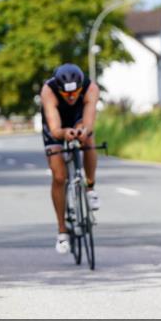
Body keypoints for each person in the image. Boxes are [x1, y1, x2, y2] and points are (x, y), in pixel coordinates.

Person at [40, 63, 101, 254]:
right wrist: (64, 133)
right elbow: (56, 129)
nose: (72, 97)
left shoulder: (91, 88)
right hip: (56, 124)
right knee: (59, 176)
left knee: (89, 140)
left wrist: (83, 131)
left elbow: (89, 122)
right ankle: (62, 231)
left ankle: (90, 189)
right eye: (66, 94)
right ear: (59, 90)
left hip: (78, 119)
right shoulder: (48, 91)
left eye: (76, 92)